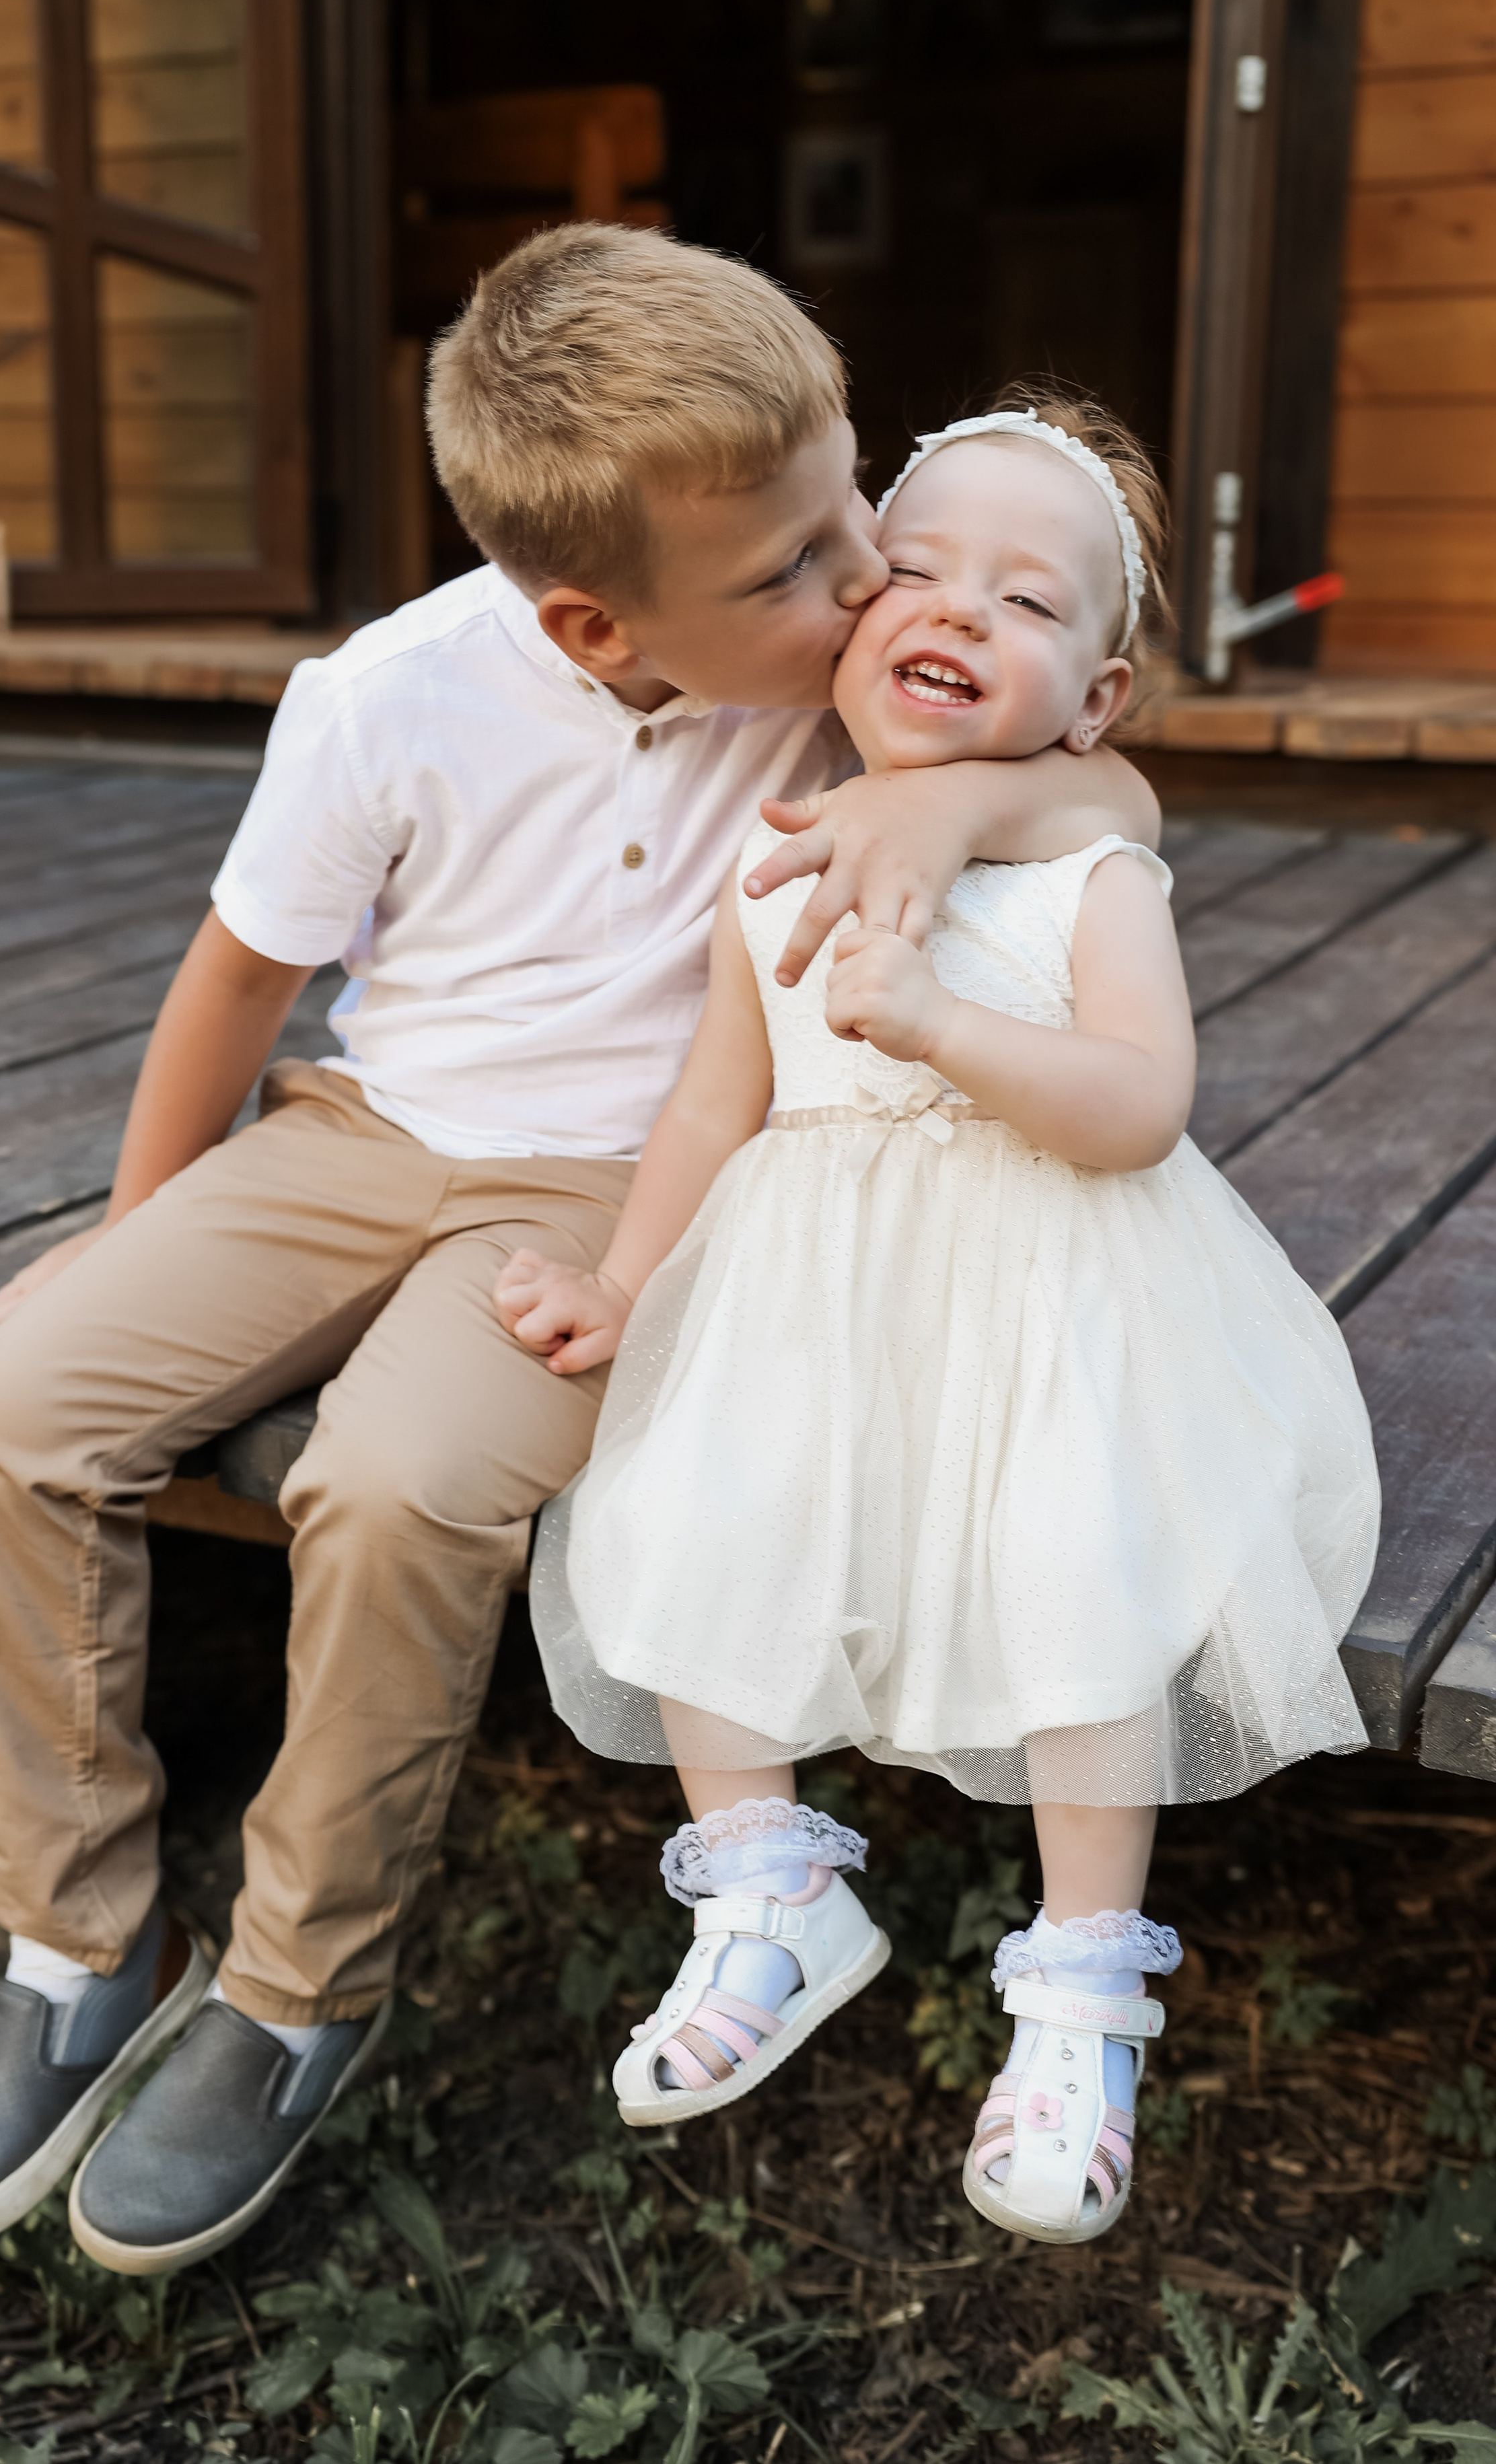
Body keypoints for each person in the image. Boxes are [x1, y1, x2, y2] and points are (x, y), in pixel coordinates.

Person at [0, 232, 1160, 2279]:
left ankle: (299, 1987)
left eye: (859, 510)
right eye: (804, 559)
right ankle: (77, 1944)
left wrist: (954, 815)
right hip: (361, 1129)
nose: (865, 577)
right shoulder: (389, 697)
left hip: (613, 1187)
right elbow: (236, 983)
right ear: (593, 614)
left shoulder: (837, 669)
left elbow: (1103, 771)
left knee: (392, 1487)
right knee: (10, 1408)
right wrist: (129, 1244)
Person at [497, 391, 1379, 2248]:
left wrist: (950, 1027)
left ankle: (1077, 1991)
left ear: (1100, 702)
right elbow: (711, 1110)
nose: (961, 611)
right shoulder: (780, 849)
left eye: (1031, 601)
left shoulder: (1086, 865)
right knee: (696, 1508)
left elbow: (1139, 1100)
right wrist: (624, 1286)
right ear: (848, 604)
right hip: (814, 1311)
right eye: (920, 568)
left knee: (1083, 1572)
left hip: (1056, 1304)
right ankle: (764, 1893)